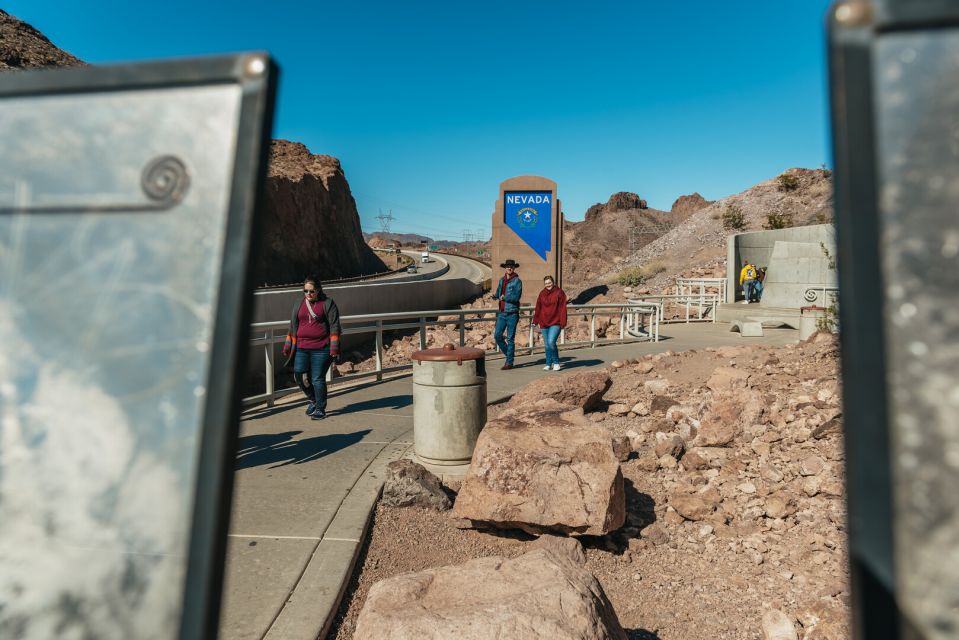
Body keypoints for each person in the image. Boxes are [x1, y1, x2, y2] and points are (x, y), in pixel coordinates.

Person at [282, 277, 341, 420]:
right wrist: (288, 344)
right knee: (299, 376)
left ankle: (320, 408)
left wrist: (334, 348)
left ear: (318, 290)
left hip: (322, 348)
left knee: (317, 378)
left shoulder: (328, 304)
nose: (308, 293)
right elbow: (293, 326)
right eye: (305, 291)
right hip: (302, 347)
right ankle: (313, 399)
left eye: (311, 291)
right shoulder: (298, 303)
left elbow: (334, 326)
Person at [492, 258, 522, 370]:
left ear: (514, 268)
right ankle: (509, 356)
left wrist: (506, 297)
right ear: (505, 268)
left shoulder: (517, 281)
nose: (509, 268)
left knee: (510, 339)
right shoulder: (501, 280)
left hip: (512, 313)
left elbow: (516, 297)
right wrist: (495, 295)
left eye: (511, 266)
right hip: (502, 313)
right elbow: (499, 292)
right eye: (507, 266)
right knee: (497, 336)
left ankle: (509, 362)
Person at [532, 275, 567, 371]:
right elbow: (538, 308)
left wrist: (563, 322)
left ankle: (556, 363)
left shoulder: (559, 293)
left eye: (549, 282)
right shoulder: (542, 294)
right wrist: (535, 321)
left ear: (553, 282)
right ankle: (548, 363)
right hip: (544, 322)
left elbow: (563, 308)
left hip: (556, 322)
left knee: (551, 342)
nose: (548, 285)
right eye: (546, 283)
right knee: (547, 344)